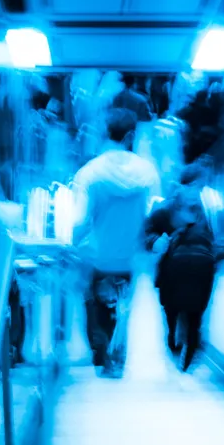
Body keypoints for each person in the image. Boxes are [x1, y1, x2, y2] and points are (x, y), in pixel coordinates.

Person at [72, 108, 161, 377]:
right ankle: (119, 355)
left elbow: (80, 220)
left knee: (96, 307)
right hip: (130, 257)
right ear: (131, 135)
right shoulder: (147, 172)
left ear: (106, 133)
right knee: (125, 308)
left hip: (98, 255)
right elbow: (154, 214)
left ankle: (102, 356)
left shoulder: (90, 173)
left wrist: (74, 245)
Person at [145, 163, 219, 372]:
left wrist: (216, 254)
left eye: (202, 186)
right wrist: (156, 242)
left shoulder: (208, 212)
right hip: (172, 272)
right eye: (196, 185)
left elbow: (217, 239)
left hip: (200, 272)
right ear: (184, 185)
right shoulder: (166, 210)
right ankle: (175, 345)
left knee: (195, 316)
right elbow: (148, 233)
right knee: (172, 313)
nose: (199, 190)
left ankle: (188, 356)